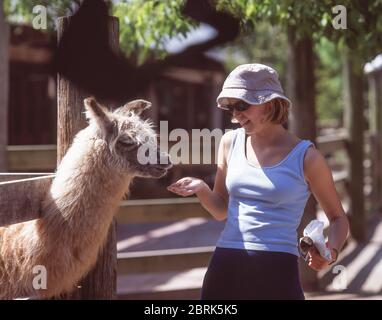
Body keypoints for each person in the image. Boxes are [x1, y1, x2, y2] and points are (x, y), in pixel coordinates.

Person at [167, 63, 350, 300]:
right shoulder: (229, 143)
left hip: (277, 272)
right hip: (225, 267)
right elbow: (222, 210)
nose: (235, 115)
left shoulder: (307, 157)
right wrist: (202, 189)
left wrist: (330, 252)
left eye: (242, 105)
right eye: (230, 108)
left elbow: (338, 218)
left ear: (270, 103)